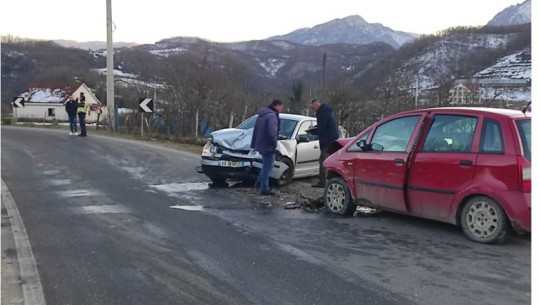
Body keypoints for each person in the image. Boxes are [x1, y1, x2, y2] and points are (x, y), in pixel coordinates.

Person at [250, 99, 283, 196]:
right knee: (268, 166)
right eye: (281, 107)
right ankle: (264, 188)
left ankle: (259, 183)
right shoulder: (272, 116)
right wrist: (274, 144)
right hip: (268, 145)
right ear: (277, 106)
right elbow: (272, 132)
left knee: (265, 165)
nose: (281, 109)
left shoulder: (262, 115)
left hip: (261, 143)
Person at [307, 98, 339, 188]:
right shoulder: (327, 112)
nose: (312, 110)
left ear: (317, 105)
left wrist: (311, 131)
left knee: (323, 161)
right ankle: (327, 180)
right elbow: (323, 125)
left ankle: (323, 182)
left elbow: (321, 129)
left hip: (327, 140)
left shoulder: (322, 114)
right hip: (332, 139)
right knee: (327, 160)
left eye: (313, 108)